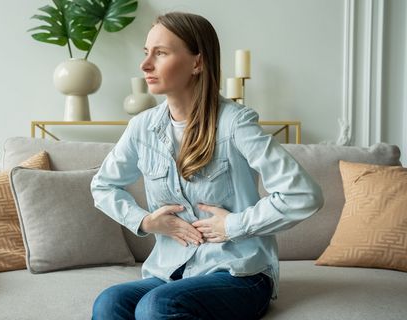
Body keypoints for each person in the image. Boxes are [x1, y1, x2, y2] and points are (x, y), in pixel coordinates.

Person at [90, 12, 323, 320]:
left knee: (157, 306)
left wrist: (233, 225)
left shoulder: (236, 123)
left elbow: (304, 195)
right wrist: (145, 221)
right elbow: (103, 186)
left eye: (160, 53)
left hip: (240, 273)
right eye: (146, 53)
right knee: (109, 302)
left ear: (197, 62)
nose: (145, 65)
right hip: (171, 272)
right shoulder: (141, 127)